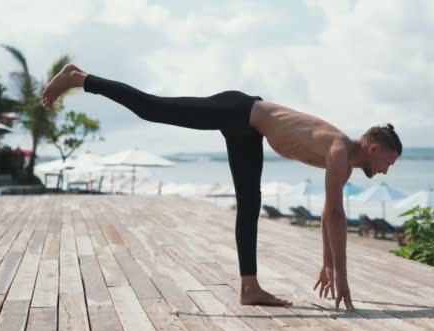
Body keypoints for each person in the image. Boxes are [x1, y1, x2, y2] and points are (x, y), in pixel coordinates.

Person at [41, 64, 402, 310]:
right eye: (389, 161)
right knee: (153, 108)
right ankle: (80, 78)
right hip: (238, 110)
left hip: (250, 132)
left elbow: (329, 215)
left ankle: (249, 287)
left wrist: (327, 264)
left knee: (249, 204)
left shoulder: (345, 165)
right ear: (374, 148)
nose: (386, 170)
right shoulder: (339, 150)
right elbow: (336, 215)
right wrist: (342, 279)